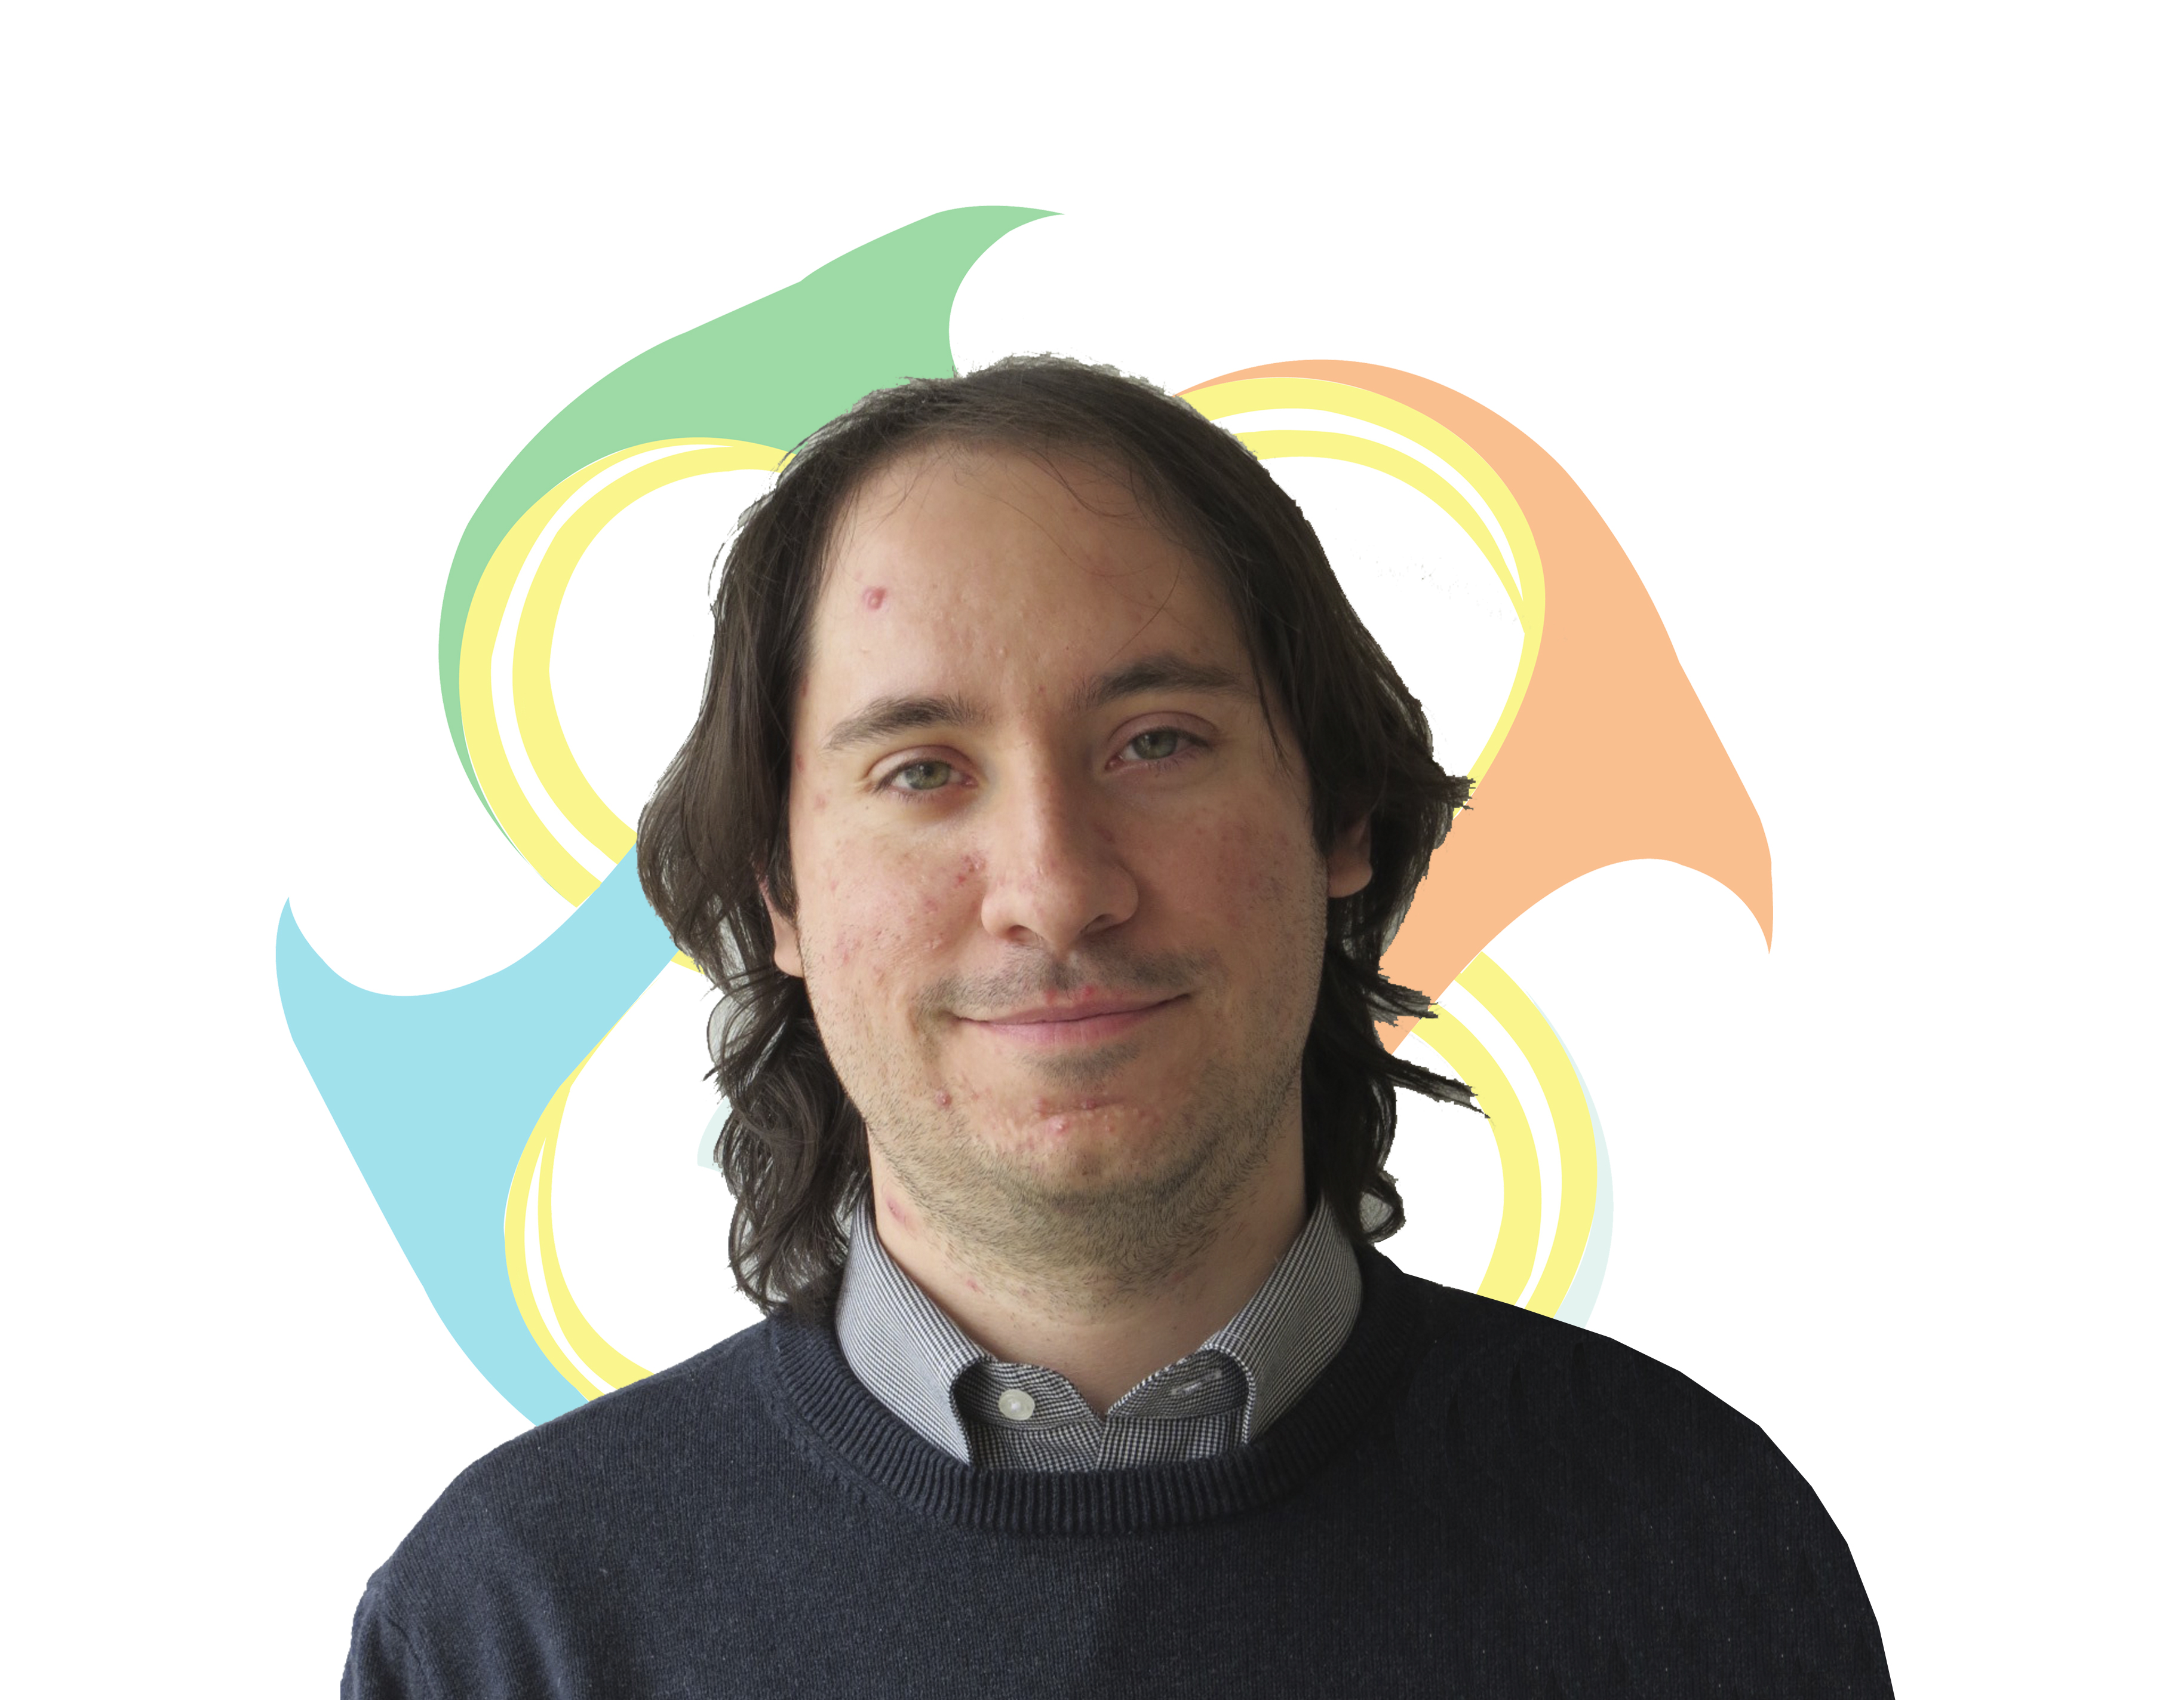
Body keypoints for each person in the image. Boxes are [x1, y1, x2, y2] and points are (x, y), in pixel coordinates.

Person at [342, 357, 1893, 1696]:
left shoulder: (1697, 1551)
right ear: (780, 895)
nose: (1057, 890)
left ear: (1339, 817)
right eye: (920, 771)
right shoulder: (510, 1626)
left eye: (1156, 742)